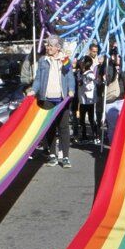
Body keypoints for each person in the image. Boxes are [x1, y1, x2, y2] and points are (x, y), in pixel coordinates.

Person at [31, 36, 76, 168]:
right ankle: (52, 155)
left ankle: (65, 157)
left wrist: (71, 90)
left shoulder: (65, 60)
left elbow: (70, 77)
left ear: (58, 48)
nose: (48, 48)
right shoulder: (43, 60)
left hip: (62, 99)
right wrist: (33, 90)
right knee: (50, 127)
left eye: (51, 46)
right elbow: (38, 79)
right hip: (47, 99)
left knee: (63, 128)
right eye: (47, 45)